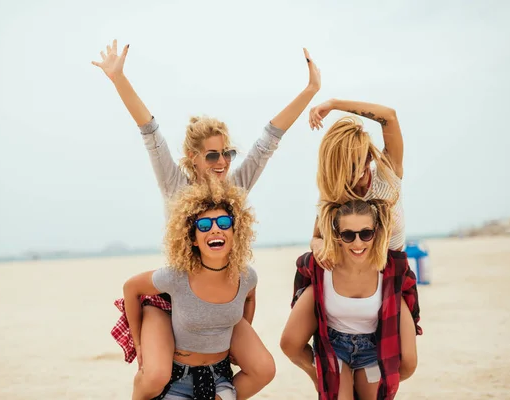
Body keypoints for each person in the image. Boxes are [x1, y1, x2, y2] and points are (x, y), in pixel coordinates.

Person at [92, 39, 321, 399]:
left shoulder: (235, 188)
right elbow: (149, 131)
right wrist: (118, 78)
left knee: (262, 367)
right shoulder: (175, 185)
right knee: (154, 376)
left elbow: (269, 140)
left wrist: (310, 90)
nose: (222, 162)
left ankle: (219, 385)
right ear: (193, 157)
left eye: (227, 153)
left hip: (219, 293)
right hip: (175, 293)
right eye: (212, 155)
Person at [280, 101, 419, 394]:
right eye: (345, 169)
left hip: (387, 271)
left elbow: (389, 117)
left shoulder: (387, 175)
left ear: (369, 156)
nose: (354, 176)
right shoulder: (334, 190)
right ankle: (323, 374)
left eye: (358, 165)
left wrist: (333, 104)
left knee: (405, 362)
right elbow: (317, 236)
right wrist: (319, 244)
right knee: (299, 347)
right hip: (346, 273)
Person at [123, 177, 260, 399]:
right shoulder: (175, 276)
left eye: (224, 223)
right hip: (177, 379)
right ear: (193, 239)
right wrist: (138, 343)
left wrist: (242, 331)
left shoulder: (246, 276)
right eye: (204, 225)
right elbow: (131, 287)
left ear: (235, 232)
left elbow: (250, 297)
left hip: (219, 375)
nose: (215, 229)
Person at [286, 199, 422, 399]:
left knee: (404, 367)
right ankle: (329, 379)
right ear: (337, 236)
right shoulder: (323, 265)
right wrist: (317, 375)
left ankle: (358, 381)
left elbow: (408, 365)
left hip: (372, 352)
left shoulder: (391, 267)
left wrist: (387, 375)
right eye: (348, 235)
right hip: (334, 349)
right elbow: (290, 344)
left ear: (375, 231)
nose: (358, 243)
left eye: (366, 233)